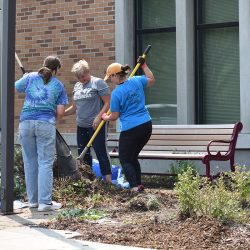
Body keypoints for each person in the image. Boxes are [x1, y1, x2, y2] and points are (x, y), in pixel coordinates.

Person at [15, 55, 68, 212]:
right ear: (56, 69)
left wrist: (24, 77)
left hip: (25, 123)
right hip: (45, 123)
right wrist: (52, 120)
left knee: (30, 162)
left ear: (44, 65)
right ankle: (44, 202)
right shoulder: (59, 86)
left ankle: (33, 201)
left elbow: (17, 86)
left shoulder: (30, 77)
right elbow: (60, 112)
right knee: (45, 162)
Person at [102, 58, 155, 192]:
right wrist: (144, 66)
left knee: (125, 158)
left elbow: (114, 116)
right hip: (146, 125)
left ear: (115, 75)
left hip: (131, 129)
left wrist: (105, 117)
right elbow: (151, 79)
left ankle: (134, 187)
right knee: (132, 157)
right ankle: (138, 185)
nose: (110, 80)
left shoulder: (116, 93)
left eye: (110, 77)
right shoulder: (136, 80)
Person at [64, 59, 112, 182]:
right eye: (79, 77)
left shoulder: (98, 83)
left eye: (83, 76)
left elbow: (108, 103)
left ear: (88, 71)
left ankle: (108, 180)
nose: (81, 79)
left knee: (100, 151)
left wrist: (98, 117)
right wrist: (61, 114)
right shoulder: (77, 86)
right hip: (81, 125)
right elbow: (74, 107)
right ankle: (88, 180)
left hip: (96, 125)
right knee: (83, 153)